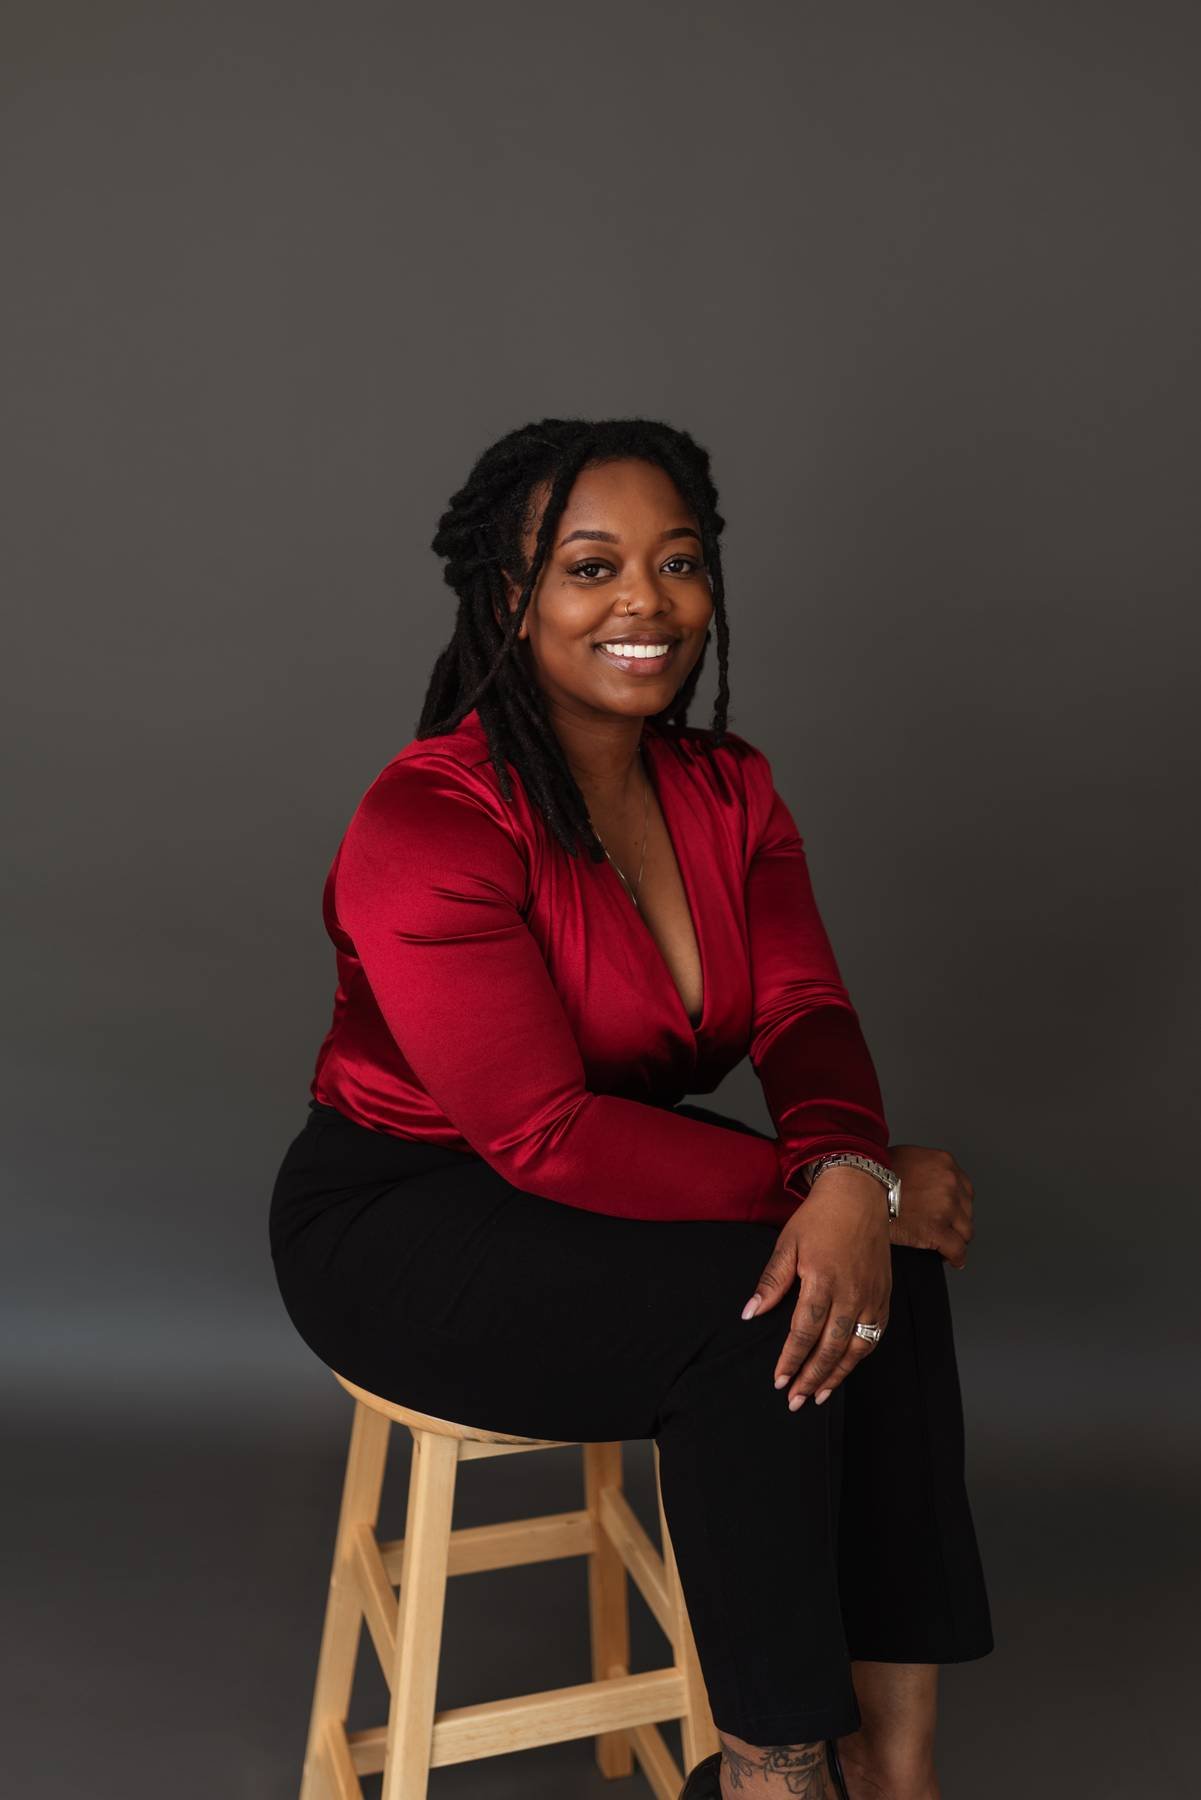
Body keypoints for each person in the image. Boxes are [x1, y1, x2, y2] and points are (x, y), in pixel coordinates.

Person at [268, 417, 993, 1800]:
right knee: (776, 1302)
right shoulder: (430, 819)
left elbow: (798, 1013)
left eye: (677, 563)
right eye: (589, 567)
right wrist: (843, 1187)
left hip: (621, 1177)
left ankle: (892, 1768)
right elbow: (538, 1132)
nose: (642, 603)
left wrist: (850, 1176)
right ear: (509, 596)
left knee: (877, 1272)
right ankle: (771, 1767)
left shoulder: (730, 788)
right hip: (401, 1214)